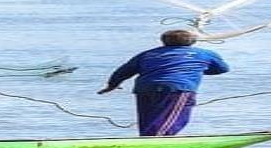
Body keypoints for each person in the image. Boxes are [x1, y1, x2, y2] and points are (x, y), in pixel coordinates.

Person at [98, 30, 229, 136]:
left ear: (163, 42)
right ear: (192, 41)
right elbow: (222, 69)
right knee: (172, 120)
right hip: (177, 88)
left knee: (148, 120)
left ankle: (146, 143)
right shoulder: (205, 54)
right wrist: (197, 69)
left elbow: (124, 70)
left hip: (144, 88)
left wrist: (112, 85)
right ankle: (157, 144)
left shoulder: (148, 54)